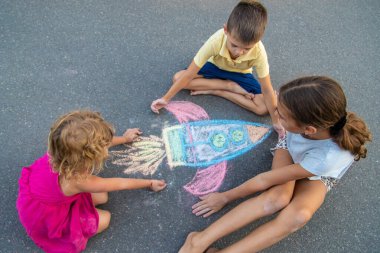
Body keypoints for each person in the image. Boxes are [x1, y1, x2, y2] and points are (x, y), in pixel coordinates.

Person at [179, 76, 372, 253]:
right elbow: (269, 179)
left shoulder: (328, 157)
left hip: (319, 173)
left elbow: (265, 179)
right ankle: (199, 240)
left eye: (282, 115)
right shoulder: (313, 114)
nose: (276, 114)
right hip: (292, 148)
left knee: (299, 216)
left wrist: (225, 197)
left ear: (309, 129)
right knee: (277, 198)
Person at [16, 110, 167, 253]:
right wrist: (149, 183)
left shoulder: (61, 148)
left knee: (102, 196)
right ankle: (70, 227)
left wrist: (125, 139)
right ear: (88, 158)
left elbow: (95, 144)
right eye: (103, 149)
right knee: (105, 218)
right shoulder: (78, 180)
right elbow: (119, 183)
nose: (106, 150)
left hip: (44, 200)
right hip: (48, 219)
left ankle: (76, 207)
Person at [151, 0, 284, 137]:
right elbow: (189, 73)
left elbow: (267, 88)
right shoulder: (216, 40)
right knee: (178, 78)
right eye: (234, 45)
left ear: (257, 42)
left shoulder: (259, 51)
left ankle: (219, 90)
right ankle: (227, 85)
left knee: (262, 108)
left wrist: (276, 122)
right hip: (214, 66)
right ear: (226, 30)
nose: (239, 52)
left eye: (247, 49)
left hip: (241, 74)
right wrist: (166, 98)